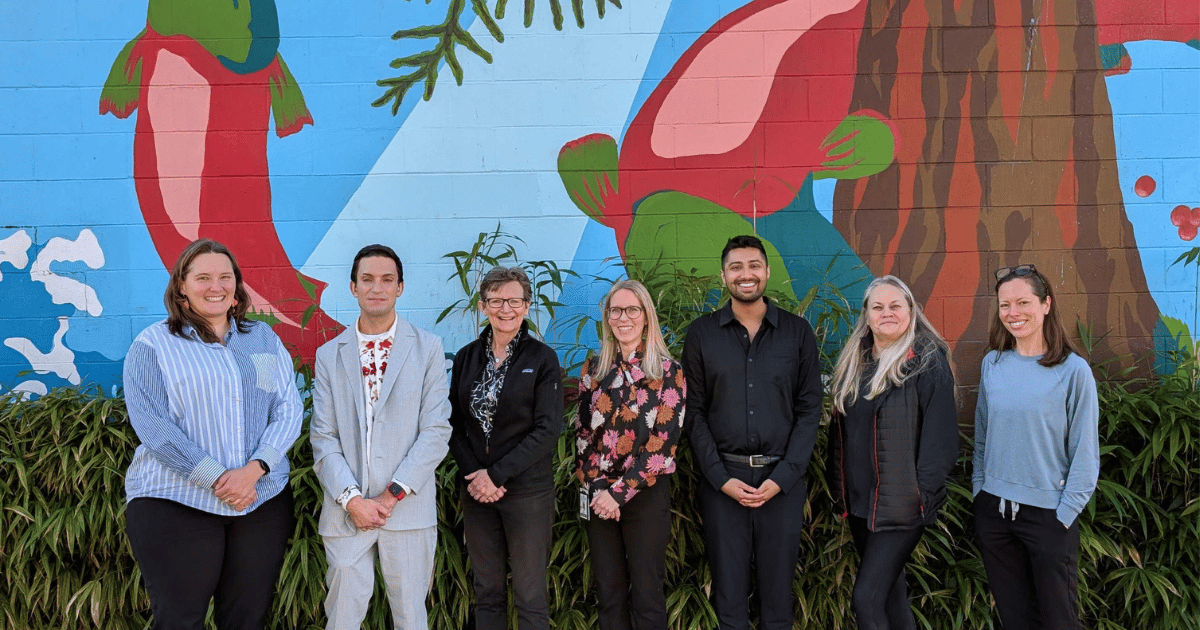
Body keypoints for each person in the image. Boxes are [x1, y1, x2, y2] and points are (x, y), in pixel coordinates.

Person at [122, 238, 302, 630]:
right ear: (181, 285)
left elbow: (288, 408)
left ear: (236, 285)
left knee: (247, 619)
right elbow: (154, 426)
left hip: (260, 499)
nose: (215, 286)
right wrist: (220, 480)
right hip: (176, 500)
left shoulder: (263, 339)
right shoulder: (153, 344)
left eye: (225, 277)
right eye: (202, 277)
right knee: (180, 620)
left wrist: (253, 471)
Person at [682, 235, 823, 630]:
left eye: (754, 265)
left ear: (767, 271)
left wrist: (784, 477)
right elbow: (693, 413)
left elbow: (810, 410)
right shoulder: (701, 334)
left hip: (781, 483)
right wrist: (720, 478)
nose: (746, 274)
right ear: (723, 275)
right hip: (723, 483)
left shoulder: (797, 332)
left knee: (778, 601)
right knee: (729, 601)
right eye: (736, 267)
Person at [310, 244, 452, 629]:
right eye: (367, 279)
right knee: (342, 618)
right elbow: (323, 437)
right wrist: (353, 500)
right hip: (347, 514)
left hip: (407, 511)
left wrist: (390, 496)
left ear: (400, 287)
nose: (377, 288)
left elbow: (436, 431)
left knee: (411, 618)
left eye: (387, 280)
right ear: (353, 287)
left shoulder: (428, 348)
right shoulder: (329, 355)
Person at [826, 276, 958, 630]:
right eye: (878, 307)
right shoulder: (855, 363)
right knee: (890, 595)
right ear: (866, 315)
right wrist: (839, 487)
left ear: (911, 311)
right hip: (860, 504)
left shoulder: (927, 361)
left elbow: (942, 441)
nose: (887, 313)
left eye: (895, 305)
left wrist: (920, 496)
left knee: (866, 598)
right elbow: (841, 434)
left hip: (901, 506)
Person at [973, 263, 1099, 630]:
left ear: (1046, 304)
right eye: (1005, 305)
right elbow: (982, 435)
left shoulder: (1073, 371)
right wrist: (981, 492)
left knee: (1059, 622)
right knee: (1016, 621)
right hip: (995, 513)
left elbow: (1085, 452)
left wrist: (1064, 515)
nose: (1013, 313)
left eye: (1023, 302)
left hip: (1049, 516)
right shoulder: (993, 364)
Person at [448, 266, 564, 630]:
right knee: (488, 592)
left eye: (514, 301)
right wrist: (475, 474)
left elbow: (548, 430)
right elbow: (452, 423)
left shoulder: (542, 359)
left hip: (526, 493)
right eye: (496, 301)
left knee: (530, 595)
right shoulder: (466, 358)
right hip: (477, 492)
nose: (506, 309)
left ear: (527, 306)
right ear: (482, 306)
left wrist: (496, 475)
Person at [576, 280, 687, 630]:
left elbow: (662, 446)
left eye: (632, 310)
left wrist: (618, 494)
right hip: (599, 497)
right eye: (616, 310)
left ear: (646, 316)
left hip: (645, 495)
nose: (623, 318)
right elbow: (583, 436)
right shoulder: (594, 371)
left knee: (647, 594)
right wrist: (598, 489)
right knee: (608, 594)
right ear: (607, 318)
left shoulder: (668, 372)